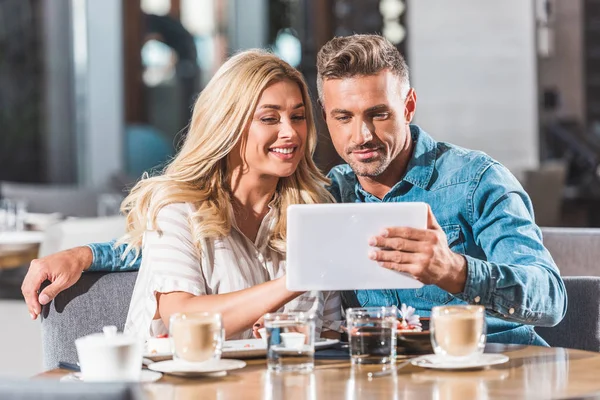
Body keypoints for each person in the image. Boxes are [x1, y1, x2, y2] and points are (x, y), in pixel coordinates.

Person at [22, 35, 565, 345]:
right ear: (327, 120)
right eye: (342, 118)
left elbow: (551, 298)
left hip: (495, 371)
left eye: (379, 114)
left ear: (409, 106)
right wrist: (88, 252)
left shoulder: (475, 181)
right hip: (380, 379)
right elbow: (201, 226)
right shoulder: (330, 196)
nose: (363, 136)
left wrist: (456, 271)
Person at [35, 50, 342, 341]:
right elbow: (183, 321)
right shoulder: (177, 209)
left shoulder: (314, 211)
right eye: (269, 118)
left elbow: (329, 334)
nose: (290, 132)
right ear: (228, 125)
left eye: (298, 117)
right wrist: (295, 281)